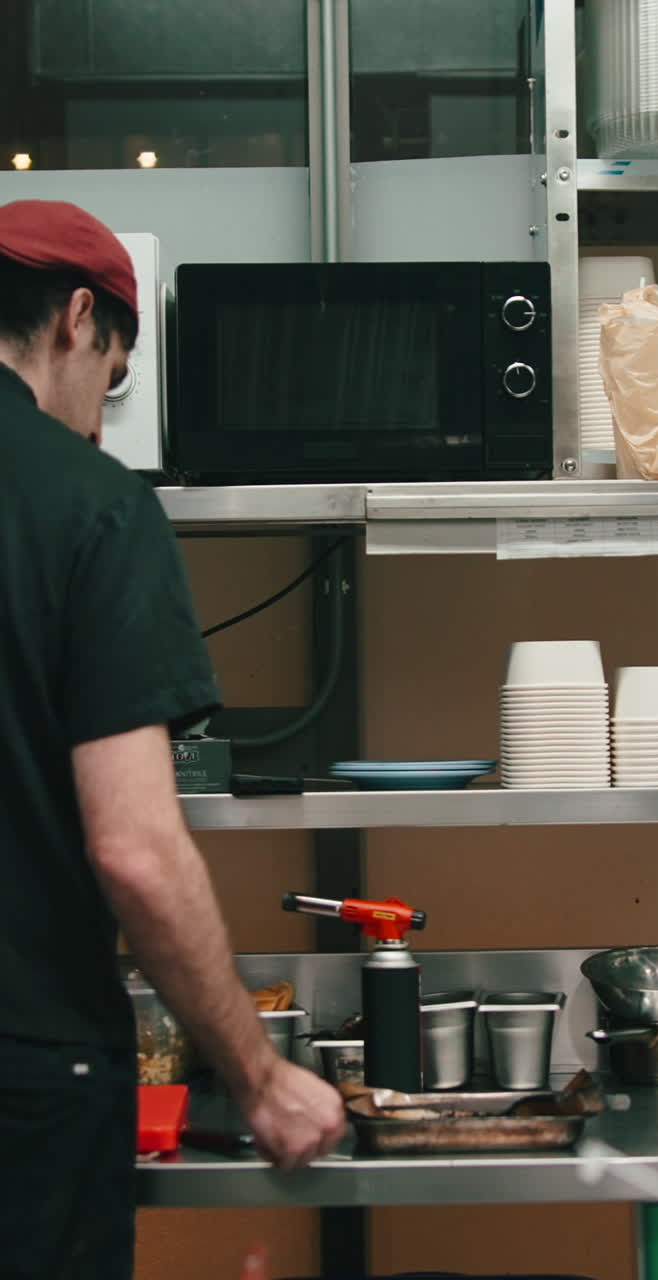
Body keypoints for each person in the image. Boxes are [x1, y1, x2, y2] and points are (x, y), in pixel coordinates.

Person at [0, 199, 345, 1280]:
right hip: (25, 1088)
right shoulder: (89, 507)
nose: (100, 422)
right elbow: (138, 850)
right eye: (110, 379)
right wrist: (260, 1075)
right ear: (76, 319)